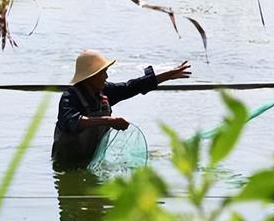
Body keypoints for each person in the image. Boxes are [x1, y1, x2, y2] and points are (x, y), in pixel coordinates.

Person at [52, 50, 191, 170]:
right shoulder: (70, 97)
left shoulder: (104, 91)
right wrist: (109, 121)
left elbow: (131, 87)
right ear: (90, 76)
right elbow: (72, 121)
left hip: (90, 162)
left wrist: (167, 75)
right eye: (103, 73)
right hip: (65, 164)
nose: (106, 77)